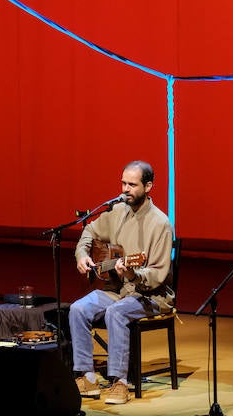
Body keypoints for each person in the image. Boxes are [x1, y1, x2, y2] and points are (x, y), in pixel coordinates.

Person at [69, 160, 175, 405]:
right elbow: (89, 232)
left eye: (132, 185)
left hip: (151, 296)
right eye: (123, 183)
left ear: (148, 186)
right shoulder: (117, 212)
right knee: (77, 309)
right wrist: (83, 255)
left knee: (116, 313)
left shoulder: (160, 224)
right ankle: (87, 377)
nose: (125, 189)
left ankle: (120, 382)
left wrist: (133, 274)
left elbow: (158, 275)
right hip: (117, 289)